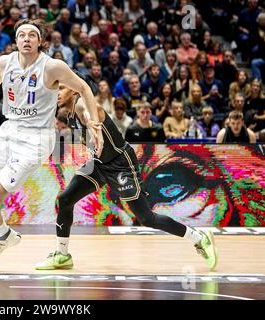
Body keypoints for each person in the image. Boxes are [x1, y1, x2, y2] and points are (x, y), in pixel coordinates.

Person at [0, 19, 103, 279]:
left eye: (32, 35)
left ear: (40, 41)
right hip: (9, 130)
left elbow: (84, 87)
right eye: (22, 35)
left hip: (36, 139)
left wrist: (95, 123)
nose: (26, 39)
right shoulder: (4, 62)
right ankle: (3, 234)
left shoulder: (53, 66)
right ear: (16, 40)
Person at [34, 82, 218, 271]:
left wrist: (90, 122)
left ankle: (199, 238)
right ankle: (62, 255)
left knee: (147, 219)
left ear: (73, 89)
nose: (56, 93)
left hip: (120, 164)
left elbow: (89, 112)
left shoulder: (83, 105)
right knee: (65, 199)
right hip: (98, 163)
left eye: (61, 89)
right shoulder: (68, 112)